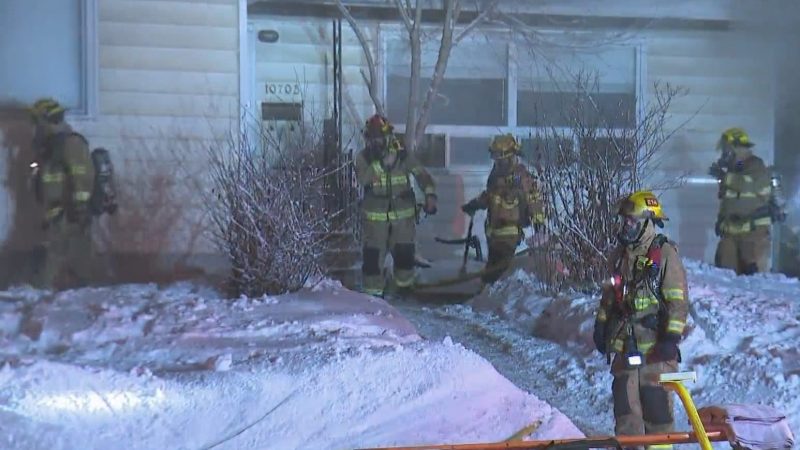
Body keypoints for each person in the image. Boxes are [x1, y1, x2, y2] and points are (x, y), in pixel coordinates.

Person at [593, 190, 689, 446]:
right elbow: (609, 298)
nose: (626, 225)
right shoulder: (619, 256)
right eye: (625, 220)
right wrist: (601, 324)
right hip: (625, 349)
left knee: (658, 418)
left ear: (648, 222)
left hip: (656, 353)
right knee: (626, 417)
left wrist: (671, 336)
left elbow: (678, 303)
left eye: (632, 221)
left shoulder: (665, 255)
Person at [355, 114, 437, 297]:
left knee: (404, 257)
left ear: (388, 136)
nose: (376, 141)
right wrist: (382, 164)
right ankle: (373, 301)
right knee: (372, 260)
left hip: (403, 220)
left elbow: (421, 174)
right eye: (372, 137)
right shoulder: (363, 158)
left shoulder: (402, 155)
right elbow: (364, 178)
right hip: (375, 222)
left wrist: (430, 194)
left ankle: (404, 293)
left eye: (379, 137)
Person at [28, 98, 95, 290]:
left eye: (37, 121)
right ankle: (80, 288)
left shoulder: (70, 143)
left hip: (68, 212)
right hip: (54, 210)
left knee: (57, 251)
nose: (35, 127)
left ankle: (40, 290)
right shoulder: (49, 146)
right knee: (65, 252)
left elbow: (83, 177)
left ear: (47, 121)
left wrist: (79, 208)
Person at [461, 134, 545, 284]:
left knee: (497, 272)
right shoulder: (496, 175)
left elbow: (533, 197)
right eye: (495, 158)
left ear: (510, 156)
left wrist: (538, 221)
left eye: (500, 158)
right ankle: (488, 297)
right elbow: (491, 196)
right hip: (493, 233)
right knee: (493, 271)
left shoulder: (521, 175)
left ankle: (492, 297)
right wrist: (475, 204)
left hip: (509, 233)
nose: (497, 161)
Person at [709, 127, 775, 275]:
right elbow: (728, 200)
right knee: (724, 275)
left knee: (753, 280)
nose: (724, 153)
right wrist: (720, 220)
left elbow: (747, 184)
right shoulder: (737, 167)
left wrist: (725, 176)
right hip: (731, 234)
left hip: (752, 235)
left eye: (726, 149)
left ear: (736, 148)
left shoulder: (756, 165)